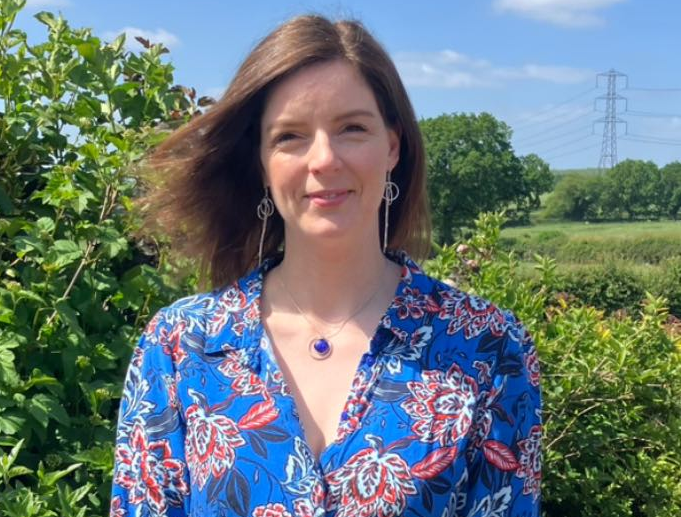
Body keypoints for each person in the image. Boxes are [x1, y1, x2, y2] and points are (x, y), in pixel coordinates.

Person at [111, 14, 542, 517]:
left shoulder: (488, 347)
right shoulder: (180, 346)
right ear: (262, 164)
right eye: (290, 136)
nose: (323, 159)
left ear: (392, 147)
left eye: (352, 128)